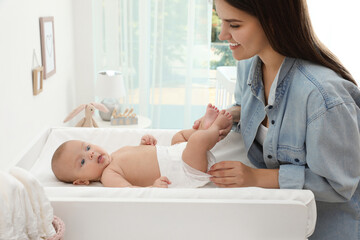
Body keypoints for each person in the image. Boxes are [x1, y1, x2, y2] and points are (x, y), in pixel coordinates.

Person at [193, 0, 360, 239]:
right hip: (278, 219)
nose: (222, 34)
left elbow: (338, 184)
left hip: (324, 229)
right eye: (221, 21)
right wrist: (225, 118)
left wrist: (255, 177)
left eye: (235, 25)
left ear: (272, 23)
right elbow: (246, 104)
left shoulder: (323, 96)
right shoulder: (250, 62)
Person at [51, 104, 233, 188]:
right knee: (196, 142)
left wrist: (144, 145)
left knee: (179, 137)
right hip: (185, 170)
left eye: (88, 148)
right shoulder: (108, 176)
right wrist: (152, 188)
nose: (90, 155)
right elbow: (131, 192)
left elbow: (139, 160)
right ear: (82, 181)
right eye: (82, 162)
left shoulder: (114, 155)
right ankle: (214, 128)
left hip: (176, 153)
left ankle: (203, 129)